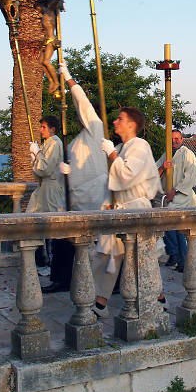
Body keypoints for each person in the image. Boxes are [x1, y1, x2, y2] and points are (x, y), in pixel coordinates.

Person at [56, 62, 114, 314]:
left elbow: (81, 102)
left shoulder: (96, 127)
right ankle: (78, 287)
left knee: (100, 252)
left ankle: (99, 294)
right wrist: (66, 172)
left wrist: (68, 76)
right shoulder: (79, 138)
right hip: (77, 199)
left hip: (95, 196)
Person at [101, 107, 165, 306]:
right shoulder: (121, 147)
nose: (114, 122)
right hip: (121, 209)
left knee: (142, 262)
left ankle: (159, 300)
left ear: (131, 124)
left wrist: (111, 154)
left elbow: (127, 174)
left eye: (120, 119)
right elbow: (113, 181)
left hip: (136, 209)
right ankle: (99, 302)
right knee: (108, 258)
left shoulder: (140, 145)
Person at [27, 115, 71, 293]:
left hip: (51, 189)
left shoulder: (55, 143)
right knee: (32, 222)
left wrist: (37, 154)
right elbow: (38, 170)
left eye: (44, 127)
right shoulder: (48, 144)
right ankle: (41, 260)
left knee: (51, 226)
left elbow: (45, 169)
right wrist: (35, 155)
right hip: (44, 189)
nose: (41, 130)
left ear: (52, 129)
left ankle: (48, 263)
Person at [156, 129, 196, 273]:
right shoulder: (166, 155)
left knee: (179, 229)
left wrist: (175, 191)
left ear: (182, 140)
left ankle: (179, 258)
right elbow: (154, 173)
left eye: (177, 138)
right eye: (172, 139)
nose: (174, 141)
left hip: (183, 196)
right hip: (169, 197)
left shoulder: (187, 154)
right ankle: (175, 255)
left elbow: (190, 177)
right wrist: (163, 167)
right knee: (169, 227)